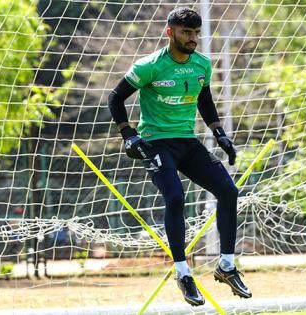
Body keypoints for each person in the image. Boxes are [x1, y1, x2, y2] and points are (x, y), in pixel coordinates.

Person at [108, 7, 252, 306]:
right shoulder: (150, 65)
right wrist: (128, 134)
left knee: (228, 191)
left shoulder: (202, 65)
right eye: (186, 32)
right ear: (170, 31)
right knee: (175, 197)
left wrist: (218, 132)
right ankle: (183, 273)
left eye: (196, 33)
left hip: (188, 142)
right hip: (156, 143)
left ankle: (226, 266)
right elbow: (115, 97)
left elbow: (204, 98)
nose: (193, 39)